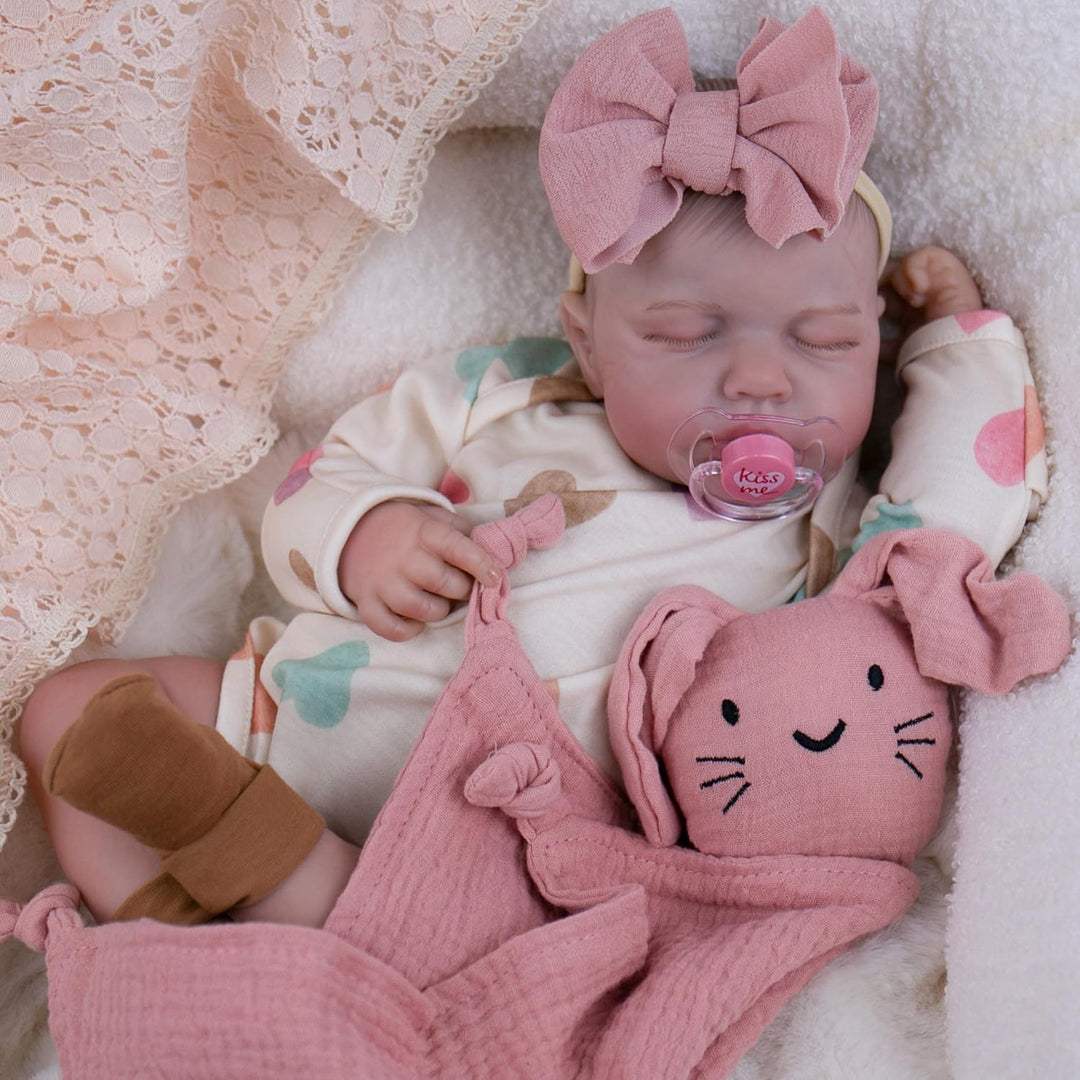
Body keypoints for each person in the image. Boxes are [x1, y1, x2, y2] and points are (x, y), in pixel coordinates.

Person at [17, 7, 1045, 929]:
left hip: (497, 836)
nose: (762, 381)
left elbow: (956, 507)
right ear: (586, 342)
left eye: (825, 341)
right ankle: (160, 930)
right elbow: (311, 482)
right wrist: (366, 535)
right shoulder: (503, 391)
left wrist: (956, 338)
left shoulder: (817, 530)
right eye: (687, 334)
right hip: (287, 721)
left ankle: (310, 910)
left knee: (475, 903)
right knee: (71, 715)